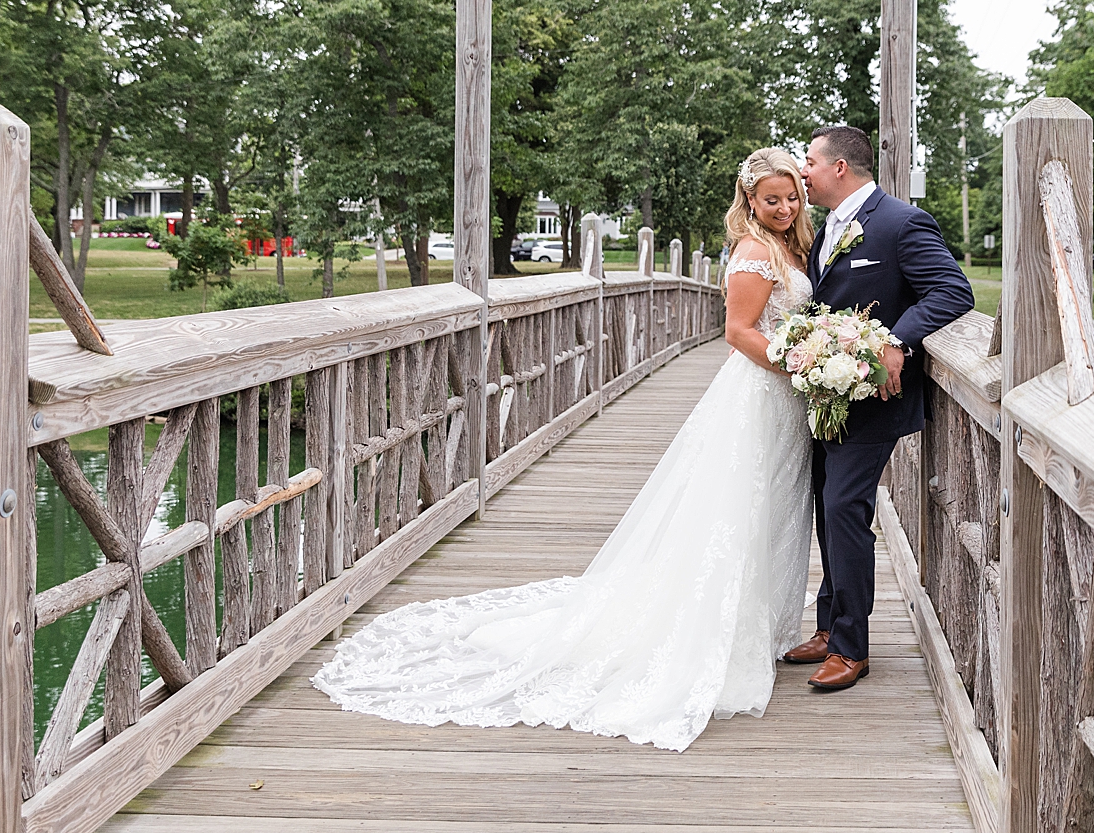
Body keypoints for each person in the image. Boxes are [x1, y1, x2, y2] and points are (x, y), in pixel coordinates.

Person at [312, 147, 819, 751]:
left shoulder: (791, 248)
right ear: (749, 202)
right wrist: (799, 363)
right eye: (772, 200)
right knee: (739, 510)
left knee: (773, 511)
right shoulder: (755, 252)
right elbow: (738, 332)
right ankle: (716, 634)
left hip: (786, 400)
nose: (785, 208)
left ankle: (756, 625)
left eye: (792, 198)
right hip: (763, 391)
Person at [783, 125, 975, 691]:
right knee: (827, 507)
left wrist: (897, 339)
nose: (803, 173)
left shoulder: (901, 223)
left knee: (844, 507)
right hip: (827, 396)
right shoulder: (825, 231)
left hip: (875, 398)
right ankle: (828, 627)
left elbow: (951, 290)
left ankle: (851, 647)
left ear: (839, 167)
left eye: (809, 163)